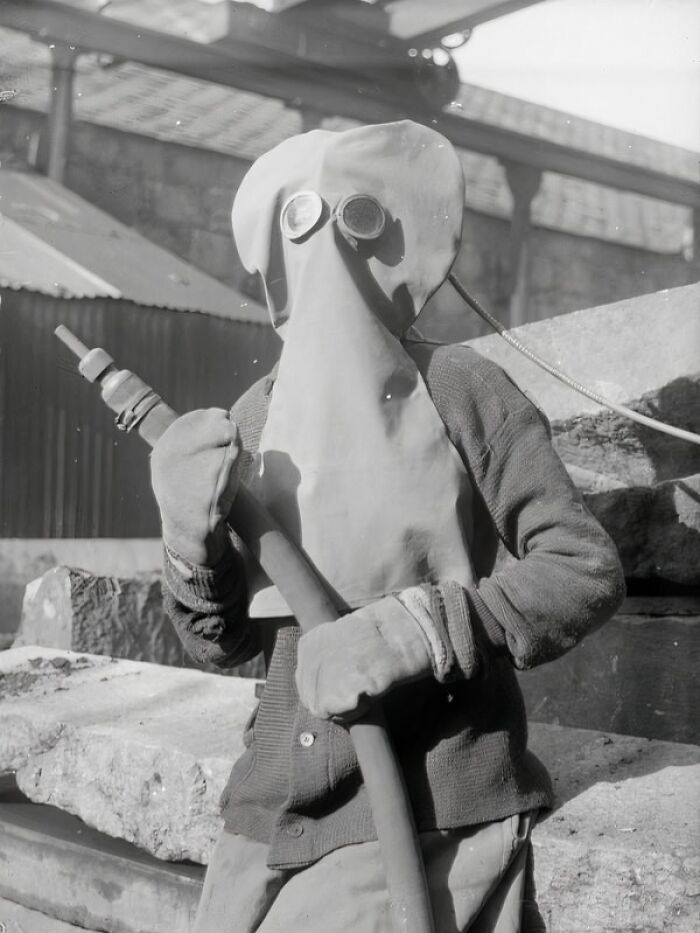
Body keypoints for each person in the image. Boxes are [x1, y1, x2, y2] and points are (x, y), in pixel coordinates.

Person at [150, 120, 625, 932]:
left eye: (356, 217)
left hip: (430, 799)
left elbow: (583, 566)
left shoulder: (465, 387)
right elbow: (223, 641)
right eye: (302, 222)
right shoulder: (253, 417)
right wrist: (188, 549)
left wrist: (420, 629)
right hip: (268, 813)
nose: (328, 249)